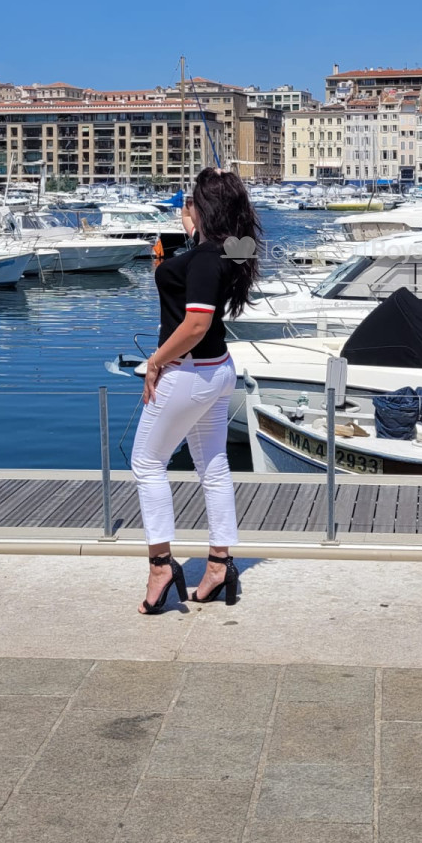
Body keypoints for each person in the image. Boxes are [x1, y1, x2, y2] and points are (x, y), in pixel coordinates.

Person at [131, 167, 261, 613]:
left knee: (147, 463)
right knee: (214, 467)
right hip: (217, 369)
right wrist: (196, 219)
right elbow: (203, 247)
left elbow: (196, 325)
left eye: (192, 201)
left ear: (205, 207)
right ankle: (219, 564)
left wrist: (155, 362)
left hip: (189, 372)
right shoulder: (232, 249)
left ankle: (160, 567)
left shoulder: (207, 259)